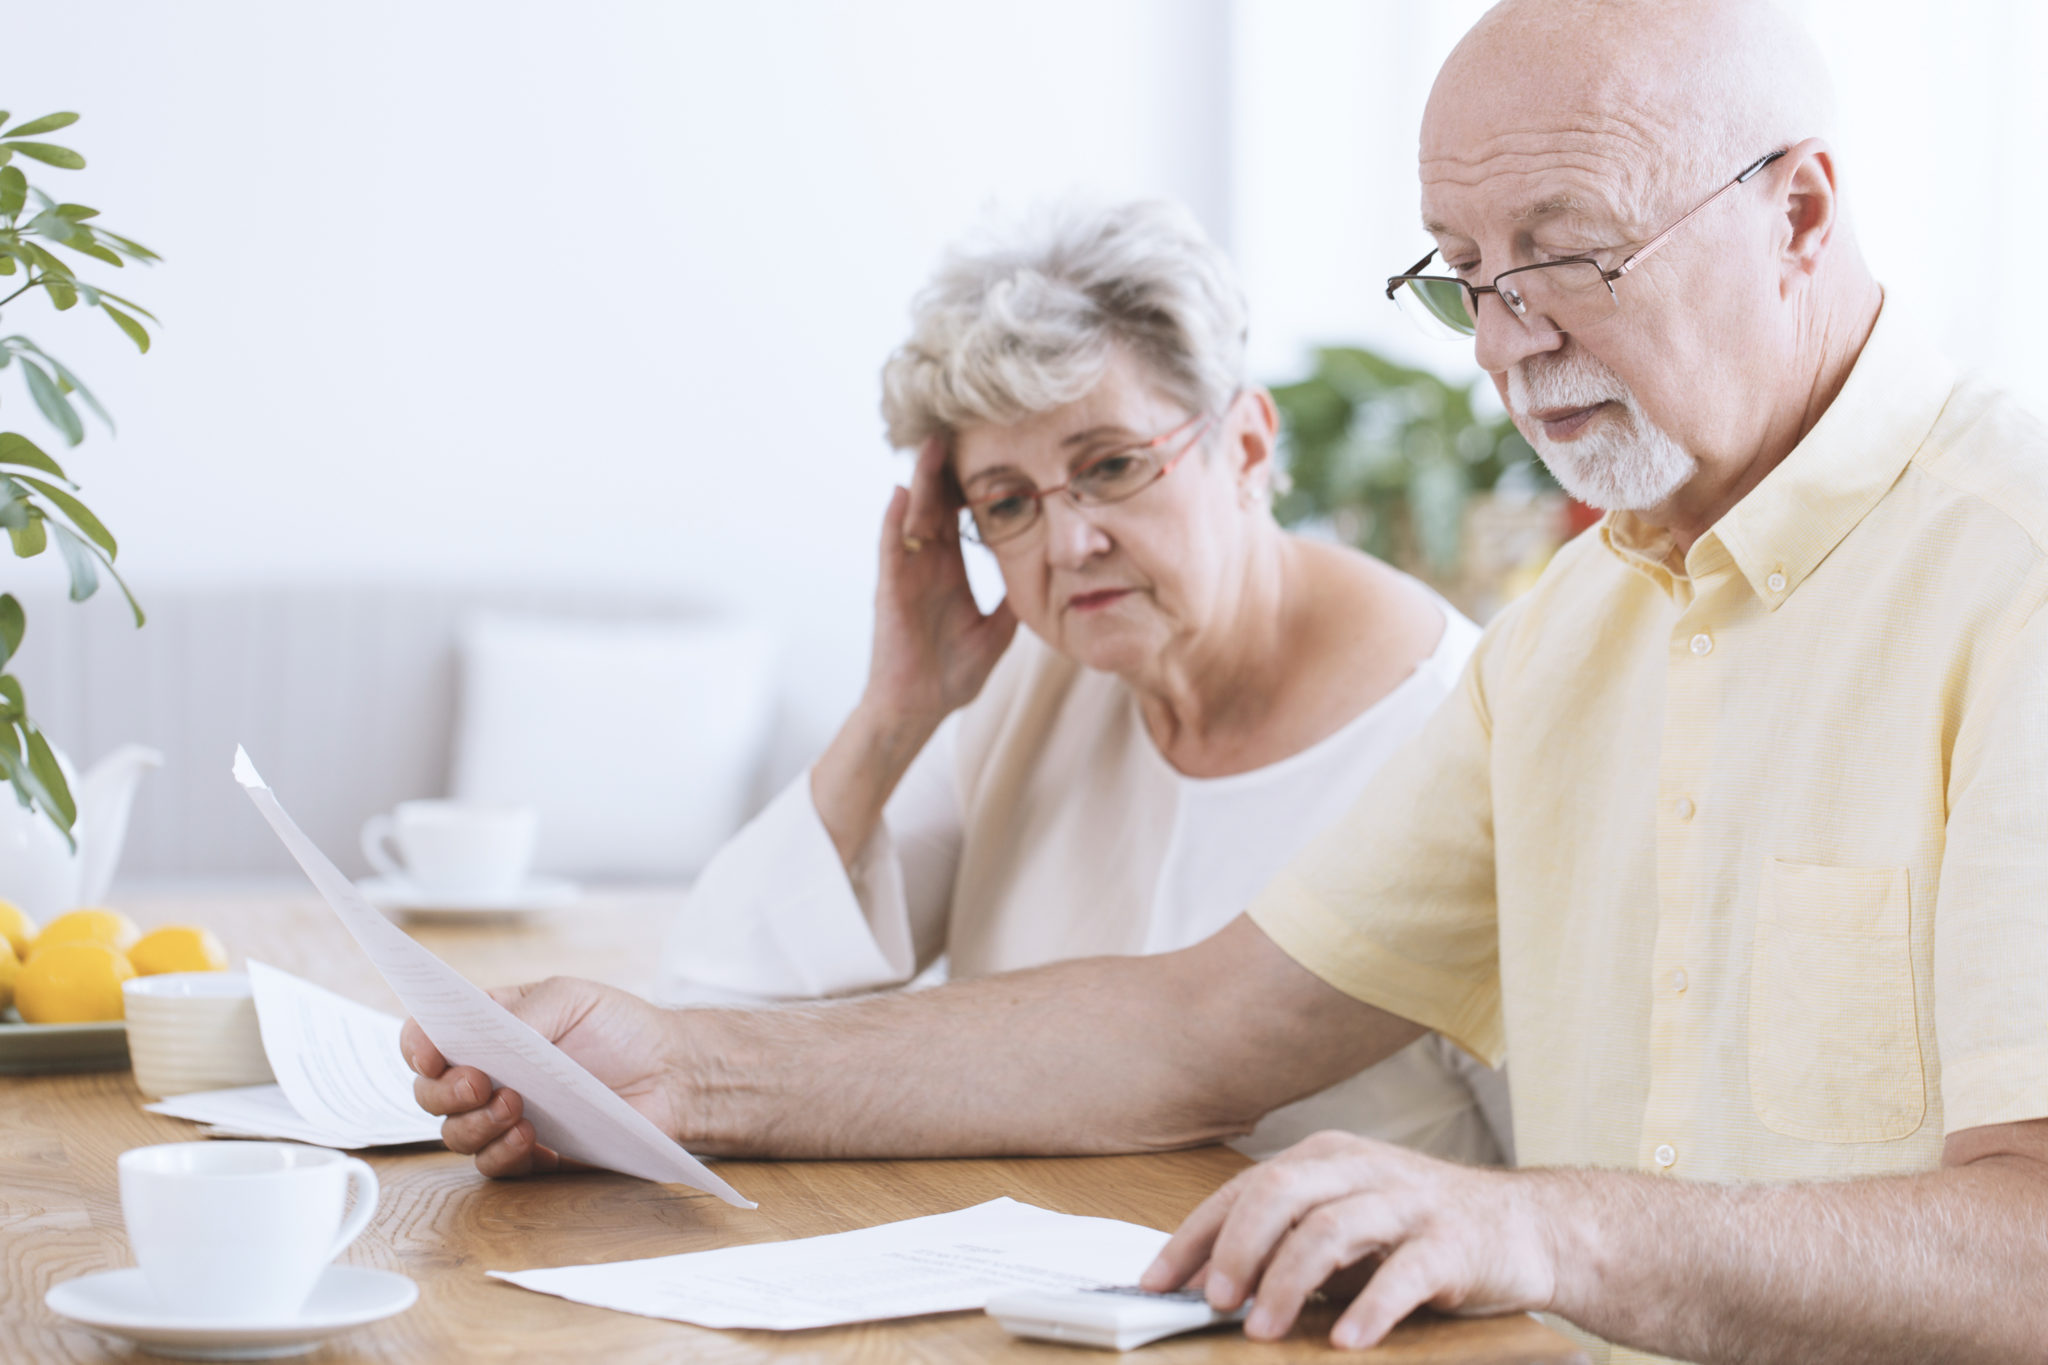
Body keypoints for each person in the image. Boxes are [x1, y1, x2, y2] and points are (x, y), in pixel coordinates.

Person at [406, 2, 2048, 1360]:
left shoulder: (2011, 570)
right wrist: (669, 1071)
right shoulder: (1572, 635)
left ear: (1802, 211)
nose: (1500, 343)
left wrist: (1546, 1224)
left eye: (1565, 256)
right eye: (1464, 271)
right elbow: (1197, 1027)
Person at [652, 199, 1507, 1164]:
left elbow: (1562, 1191)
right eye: (1007, 502)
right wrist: (895, 713)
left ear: (1249, 447)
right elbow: (709, 1010)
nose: (1069, 543)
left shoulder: (1460, 724)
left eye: (1110, 465)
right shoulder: (1034, 683)